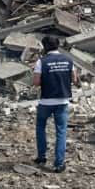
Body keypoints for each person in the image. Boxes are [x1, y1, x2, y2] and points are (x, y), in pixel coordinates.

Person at [32, 36, 77, 172]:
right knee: (61, 132)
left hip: (46, 101)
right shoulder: (69, 60)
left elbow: (36, 82)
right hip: (62, 101)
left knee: (40, 127)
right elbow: (74, 79)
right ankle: (59, 164)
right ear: (58, 45)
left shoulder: (41, 62)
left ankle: (41, 157)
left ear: (45, 47)